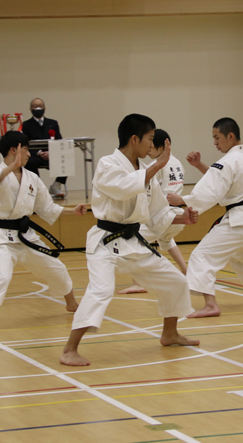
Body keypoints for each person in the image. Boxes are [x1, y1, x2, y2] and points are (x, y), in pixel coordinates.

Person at [60, 114, 200, 367]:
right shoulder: (108, 164)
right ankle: (70, 349)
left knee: (176, 281)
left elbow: (157, 212)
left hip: (133, 241)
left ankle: (169, 333)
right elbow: (124, 188)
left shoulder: (144, 172)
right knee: (101, 290)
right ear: (134, 139)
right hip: (105, 240)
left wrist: (184, 219)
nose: (151, 144)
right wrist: (157, 165)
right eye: (149, 138)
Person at [0, 131, 88, 332]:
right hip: (2, 237)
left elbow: (47, 208)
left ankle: (71, 303)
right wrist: (12, 166)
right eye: (27, 149)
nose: (30, 154)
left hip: (26, 235)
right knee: (1, 278)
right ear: (14, 149)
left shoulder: (31, 178)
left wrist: (73, 211)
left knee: (55, 266)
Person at [167, 118, 243, 318]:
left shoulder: (227, 161)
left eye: (217, 138)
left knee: (202, 256)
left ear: (230, 136)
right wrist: (199, 164)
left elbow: (211, 192)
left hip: (241, 219)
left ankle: (210, 305)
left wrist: (181, 200)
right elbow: (226, 179)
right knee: (239, 256)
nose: (215, 143)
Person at [119, 129, 188, 294]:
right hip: (176, 216)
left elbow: (145, 189)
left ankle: (139, 282)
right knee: (166, 240)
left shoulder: (155, 166)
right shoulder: (177, 162)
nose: (149, 150)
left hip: (163, 215)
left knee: (130, 242)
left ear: (162, 146)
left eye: (152, 146)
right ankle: (186, 271)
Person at [21, 97, 68, 198]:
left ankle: (56, 185)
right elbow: (26, 143)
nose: (38, 108)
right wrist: (39, 152)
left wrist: (51, 153)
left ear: (44, 108)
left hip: (51, 154)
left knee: (66, 160)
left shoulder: (53, 123)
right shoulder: (26, 125)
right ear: (30, 109)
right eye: (35, 106)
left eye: (40, 106)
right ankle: (38, 188)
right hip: (35, 155)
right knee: (29, 162)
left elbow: (59, 141)